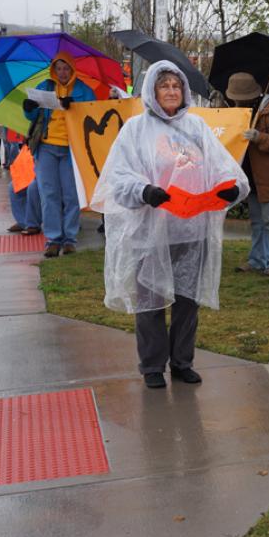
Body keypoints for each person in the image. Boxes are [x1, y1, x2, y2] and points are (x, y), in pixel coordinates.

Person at [91, 61, 249, 389]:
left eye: (176, 86)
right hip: (151, 232)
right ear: (152, 90)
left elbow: (220, 165)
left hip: (192, 229)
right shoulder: (136, 129)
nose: (172, 92)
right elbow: (119, 177)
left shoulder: (197, 128)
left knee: (186, 300)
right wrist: (144, 191)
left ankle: (182, 361)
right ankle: (151, 365)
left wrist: (228, 185)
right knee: (150, 302)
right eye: (165, 86)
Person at [22, 52, 97, 257]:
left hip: (72, 150)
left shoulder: (84, 90)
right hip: (46, 147)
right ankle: (53, 239)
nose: (62, 72)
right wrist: (28, 108)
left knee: (71, 196)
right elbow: (32, 114)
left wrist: (75, 107)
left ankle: (70, 239)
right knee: (49, 194)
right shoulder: (44, 87)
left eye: (66, 68)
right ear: (53, 70)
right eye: (59, 68)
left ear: (72, 70)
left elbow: (93, 115)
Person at [227, 72, 269, 277]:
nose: (236, 103)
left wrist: (259, 137)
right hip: (255, 179)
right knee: (258, 221)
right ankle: (258, 260)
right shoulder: (244, 112)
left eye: (239, 99)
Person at [3, 128, 42, 235]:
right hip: (33, 163)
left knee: (33, 187)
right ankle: (23, 222)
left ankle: (33, 224)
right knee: (13, 186)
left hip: (45, 164)